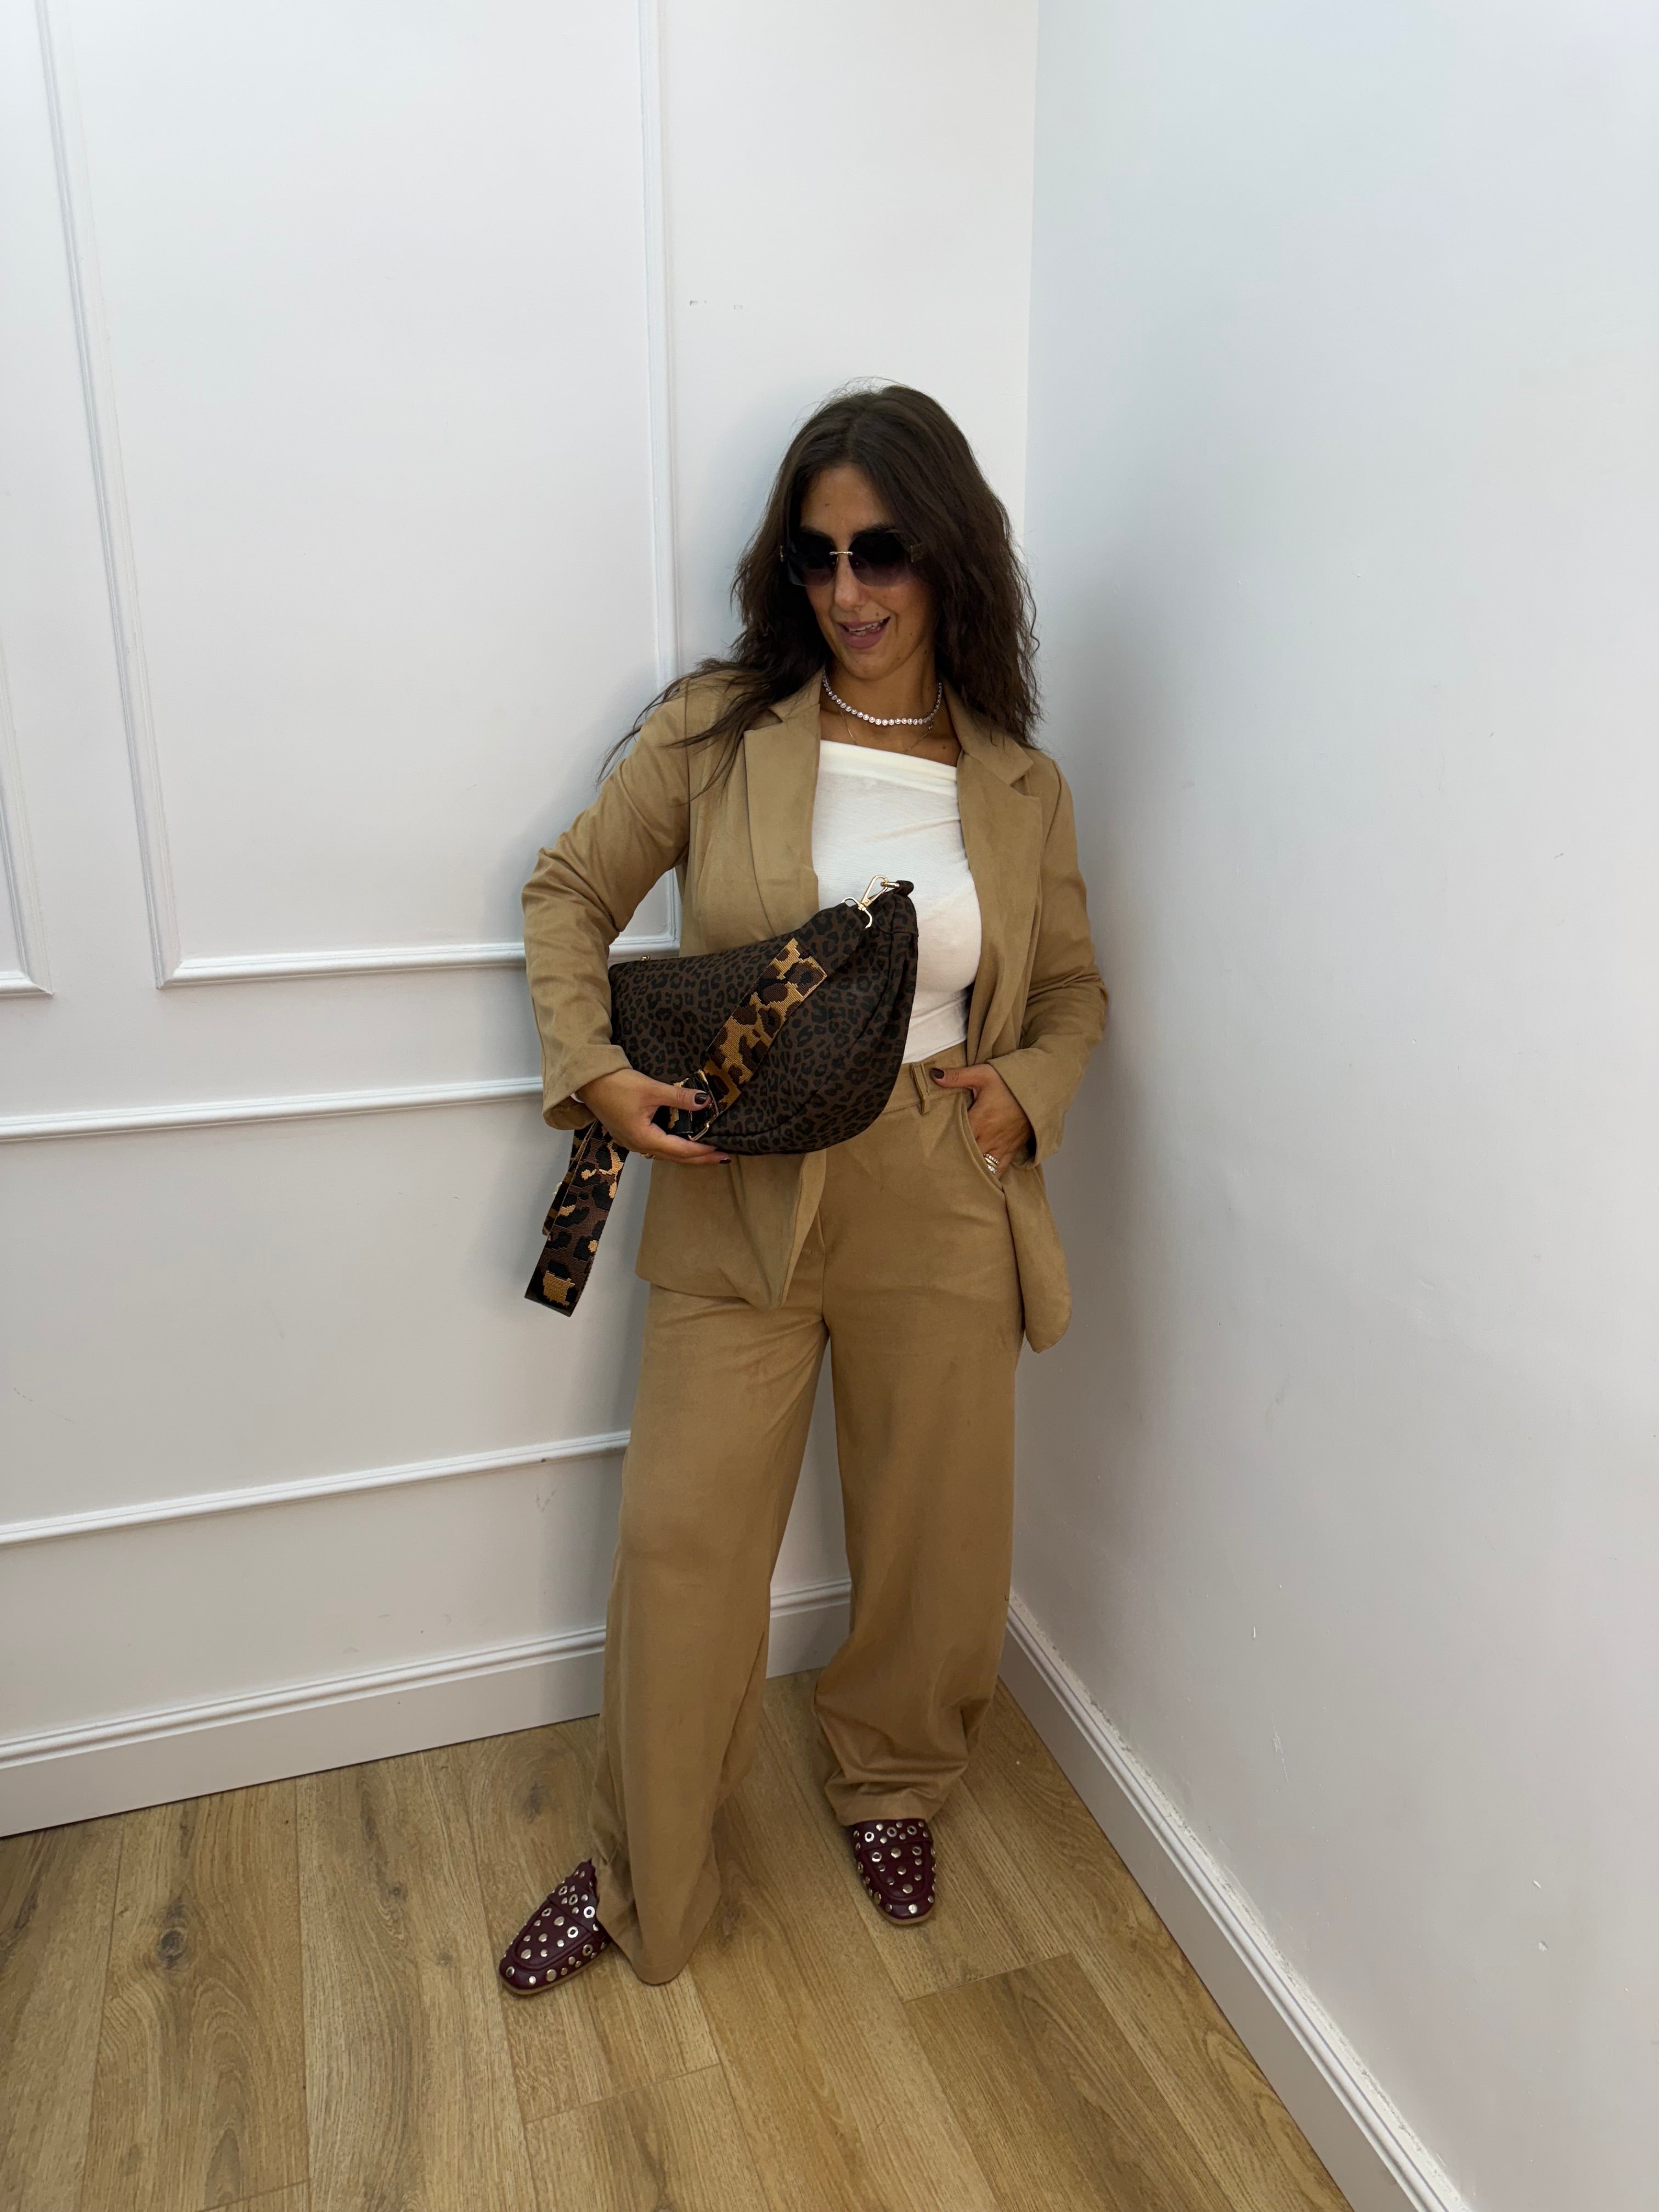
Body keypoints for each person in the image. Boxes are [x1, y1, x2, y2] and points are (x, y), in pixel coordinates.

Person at [501, 384, 1106, 1993]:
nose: (850, 590)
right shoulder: (718, 732)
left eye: (883, 552)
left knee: (934, 1536)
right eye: (819, 555)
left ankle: (894, 1778)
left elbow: (1072, 995)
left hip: (940, 1179)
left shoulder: (1020, 784)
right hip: (737, 1176)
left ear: (949, 557)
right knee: (684, 1542)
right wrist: (599, 1076)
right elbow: (568, 892)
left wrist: (1024, 1099)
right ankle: (644, 1874)